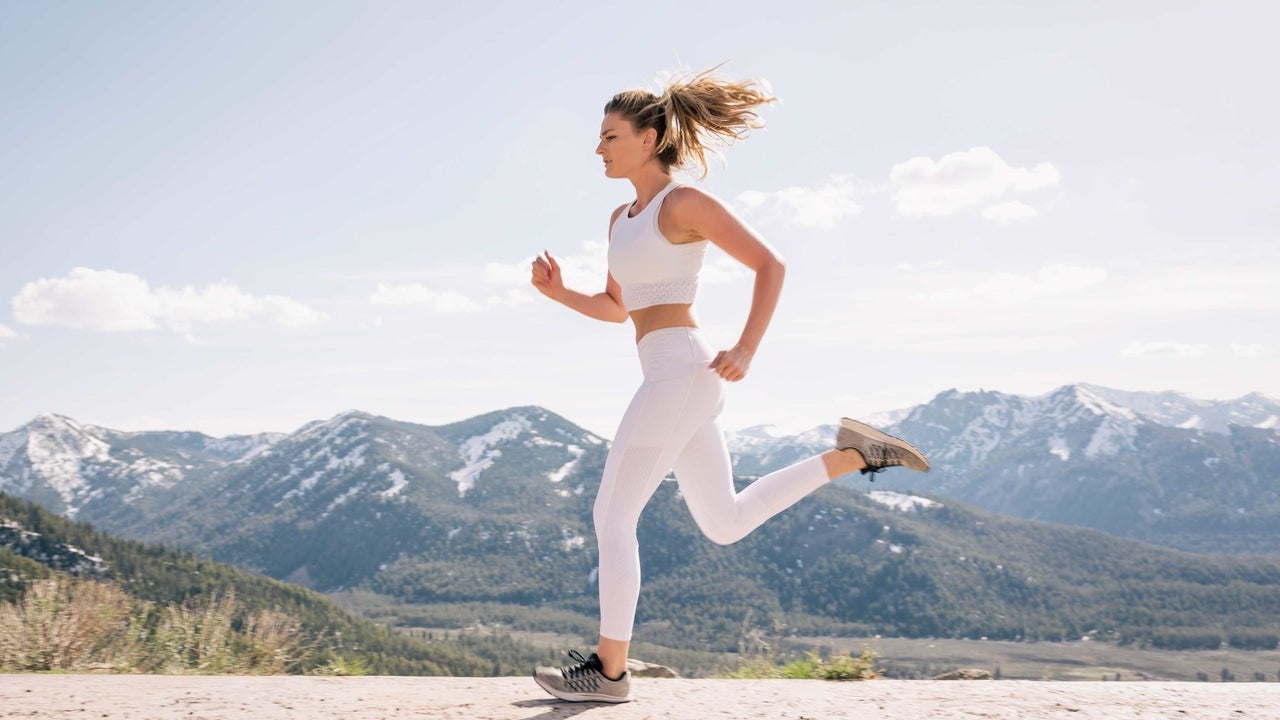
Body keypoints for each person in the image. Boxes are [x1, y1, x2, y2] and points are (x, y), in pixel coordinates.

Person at [528, 68, 929, 703]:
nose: (598, 148)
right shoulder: (619, 218)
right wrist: (559, 294)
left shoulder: (682, 204)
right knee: (725, 521)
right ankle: (854, 453)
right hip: (669, 372)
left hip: (681, 371)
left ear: (650, 137)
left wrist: (746, 347)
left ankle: (609, 673)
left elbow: (770, 263)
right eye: (598, 138)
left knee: (611, 514)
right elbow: (615, 306)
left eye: (609, 136)